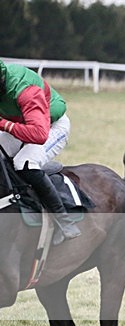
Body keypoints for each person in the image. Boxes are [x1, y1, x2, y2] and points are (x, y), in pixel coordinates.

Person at [0, 60, 81, 244]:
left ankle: (64, 220)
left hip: (50, 127)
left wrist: (3, 124)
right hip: (22, 121)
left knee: (24, 162)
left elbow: (38, 134)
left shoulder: (25, 90)